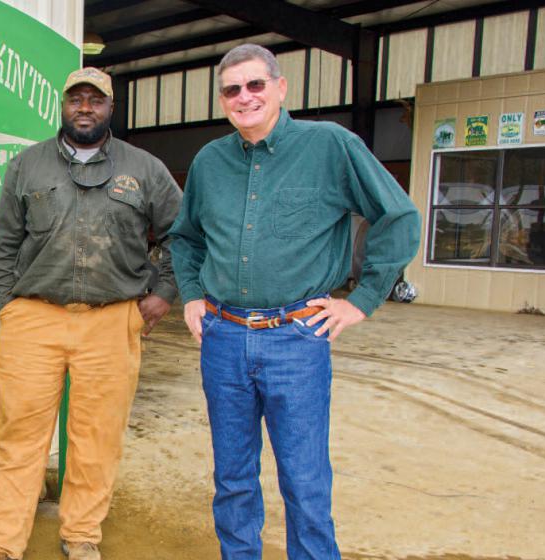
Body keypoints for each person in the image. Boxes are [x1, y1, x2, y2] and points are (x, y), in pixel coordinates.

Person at [168, 44, 420, 559]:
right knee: (233, 477)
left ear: (281, 88)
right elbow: (186, 237)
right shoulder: (210, 162)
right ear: (223, 100)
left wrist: (363, 299)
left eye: (256, 84)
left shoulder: (330, 146)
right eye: (233, 89)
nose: (245, 97)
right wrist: (192, 296)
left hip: (297, 338)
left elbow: (399, 217)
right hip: (223, 337)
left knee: (304, 481)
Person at [0, 67, 183, 560]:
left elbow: (182, 235)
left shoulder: (145, 169)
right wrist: (10, 304)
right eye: (76, 99)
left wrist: (163, 292)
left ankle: (82, 535)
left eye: (96, 99)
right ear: (62, 106)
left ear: (111, 108)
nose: (85, 107)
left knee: (96, 437)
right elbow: (4, 242)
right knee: (18, 435)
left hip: (112, 321)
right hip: (35, 318)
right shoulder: (27, 166)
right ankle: (0, 544)